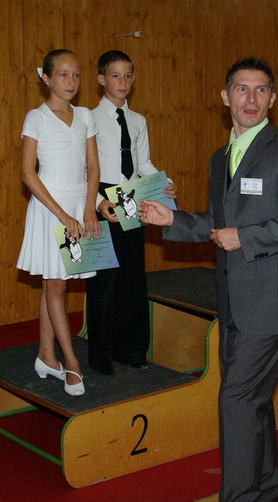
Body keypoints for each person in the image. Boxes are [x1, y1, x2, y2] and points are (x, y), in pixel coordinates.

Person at [139, 57, 278, 502]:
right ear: (226, 97)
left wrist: (246, 237)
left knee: (237, 401)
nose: (251, 98)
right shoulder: (220, 158)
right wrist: (173, 220)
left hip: (272, 299)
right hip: (234, 300)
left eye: (261, 90)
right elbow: (216, 224)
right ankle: (264, 493)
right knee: (251, 403)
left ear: (272, 98)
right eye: (242, 89)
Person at [86, 50, 176, 375]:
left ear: (133, 79)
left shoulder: (138, 121)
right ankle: (101, 356)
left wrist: (164, 183)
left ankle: (132, 350)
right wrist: (98, 201)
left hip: (131, 198)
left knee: (132, 279)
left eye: (127, 76)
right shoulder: (87, 119)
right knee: (102, 283)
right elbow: (82, 168)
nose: (122, 82)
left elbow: (143, 162)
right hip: (99, 200)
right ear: (101, 79)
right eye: (115, 75)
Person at [16, 49, 100, 396]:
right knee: (57, 286)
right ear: (46, 78)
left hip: (79, 206)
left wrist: (89, 209)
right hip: (50, 209)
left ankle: (46, 355)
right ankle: (72, 363)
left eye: (76, 74)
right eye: (63, 75)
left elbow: (93, 167)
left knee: (54, 284)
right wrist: (63, 216)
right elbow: (27, 173)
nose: (71, 81)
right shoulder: (36, 117)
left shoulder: (85, 116)